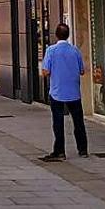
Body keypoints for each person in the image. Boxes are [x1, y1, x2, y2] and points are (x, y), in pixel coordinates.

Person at [39, 23, 87, 162]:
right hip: (74, 91)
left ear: (56, 35)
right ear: (68, 35)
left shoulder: (51, 50)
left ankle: (59, 151)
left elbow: (46, 71)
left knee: (58, 122)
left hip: (57, 91)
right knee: (78, 122)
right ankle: (82, 149)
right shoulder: (75, 50)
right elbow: (82, 71)